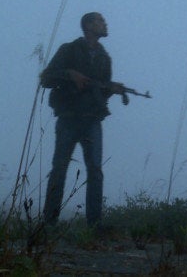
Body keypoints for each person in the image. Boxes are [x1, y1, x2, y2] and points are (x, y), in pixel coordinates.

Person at [40, 12, 124, 228]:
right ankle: (48, 224)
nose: (105, 24)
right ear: (88, 25)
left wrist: (111, 89)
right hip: (68, 118)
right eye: (100, 21)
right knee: (59, 169)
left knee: (95, 171)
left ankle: (94, 226)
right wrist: (71, 74)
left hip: (92, 120)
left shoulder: (105, 58)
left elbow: (100, 92)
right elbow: (46, 78)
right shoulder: (68, 50)